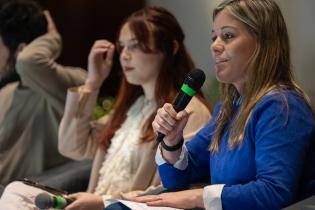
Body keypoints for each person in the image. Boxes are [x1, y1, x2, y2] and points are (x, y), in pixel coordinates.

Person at [0, 6, 211, 210]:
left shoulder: (187, 112)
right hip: (94, 203)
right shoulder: (131, 109)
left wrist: (103, 202)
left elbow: (173, 188)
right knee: (16, 191)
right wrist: (93, 82)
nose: (125, 55)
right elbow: (71, 146)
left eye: (135, 45)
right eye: (122, 47)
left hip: (125, 207)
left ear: (170, 48)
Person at [130, 0, 315, 210]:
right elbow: (177, 180)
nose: (215, 46)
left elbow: (274, 192)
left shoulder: (283, 107)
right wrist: (172, 142)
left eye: (227, 36)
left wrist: (197, 197)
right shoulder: (228, 109)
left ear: (263, 42)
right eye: (214, 37)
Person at [0, 0, 86, 186]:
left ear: (22, 49)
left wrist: (53, 37)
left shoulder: (74, 82)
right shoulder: (6, 93)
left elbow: (28, 62)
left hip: (38, 196)